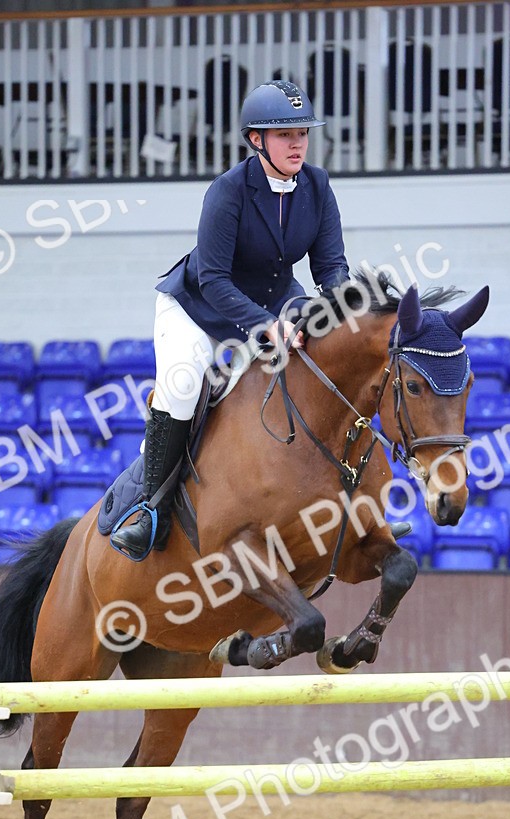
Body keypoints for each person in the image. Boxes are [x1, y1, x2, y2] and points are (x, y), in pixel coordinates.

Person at [112, 78, 350, 560]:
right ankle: (148, 509)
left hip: (275, 303)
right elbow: (215, 279)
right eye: (285, 134)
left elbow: (330, 268)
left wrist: (347, 308)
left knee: (324, 365)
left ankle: (350, 500)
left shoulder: (318, 185)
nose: (298, 142)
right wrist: (266, 325)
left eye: (302, 132)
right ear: (255, 140)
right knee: (180, 387)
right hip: (198, 310)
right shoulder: (228, 191)